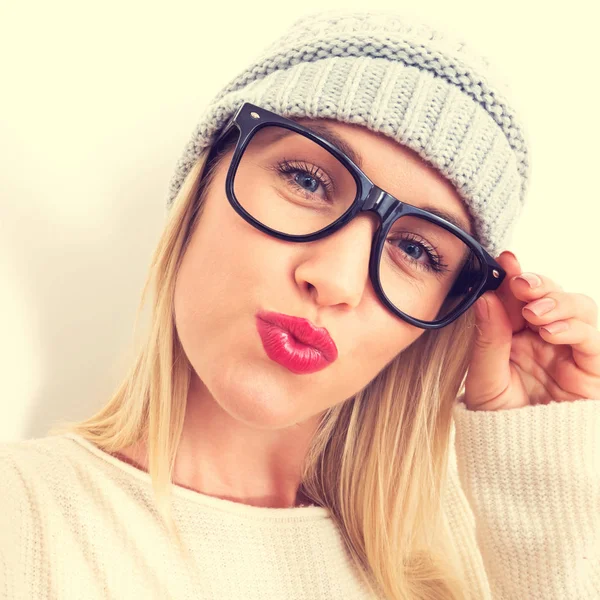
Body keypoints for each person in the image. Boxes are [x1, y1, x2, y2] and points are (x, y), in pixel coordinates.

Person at [1, 8, 599, 600]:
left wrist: (544, 469)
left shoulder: (471, 554)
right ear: (204, 181)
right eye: (308, 181)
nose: (335, 279)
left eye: (416, 249)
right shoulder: (24, 521)